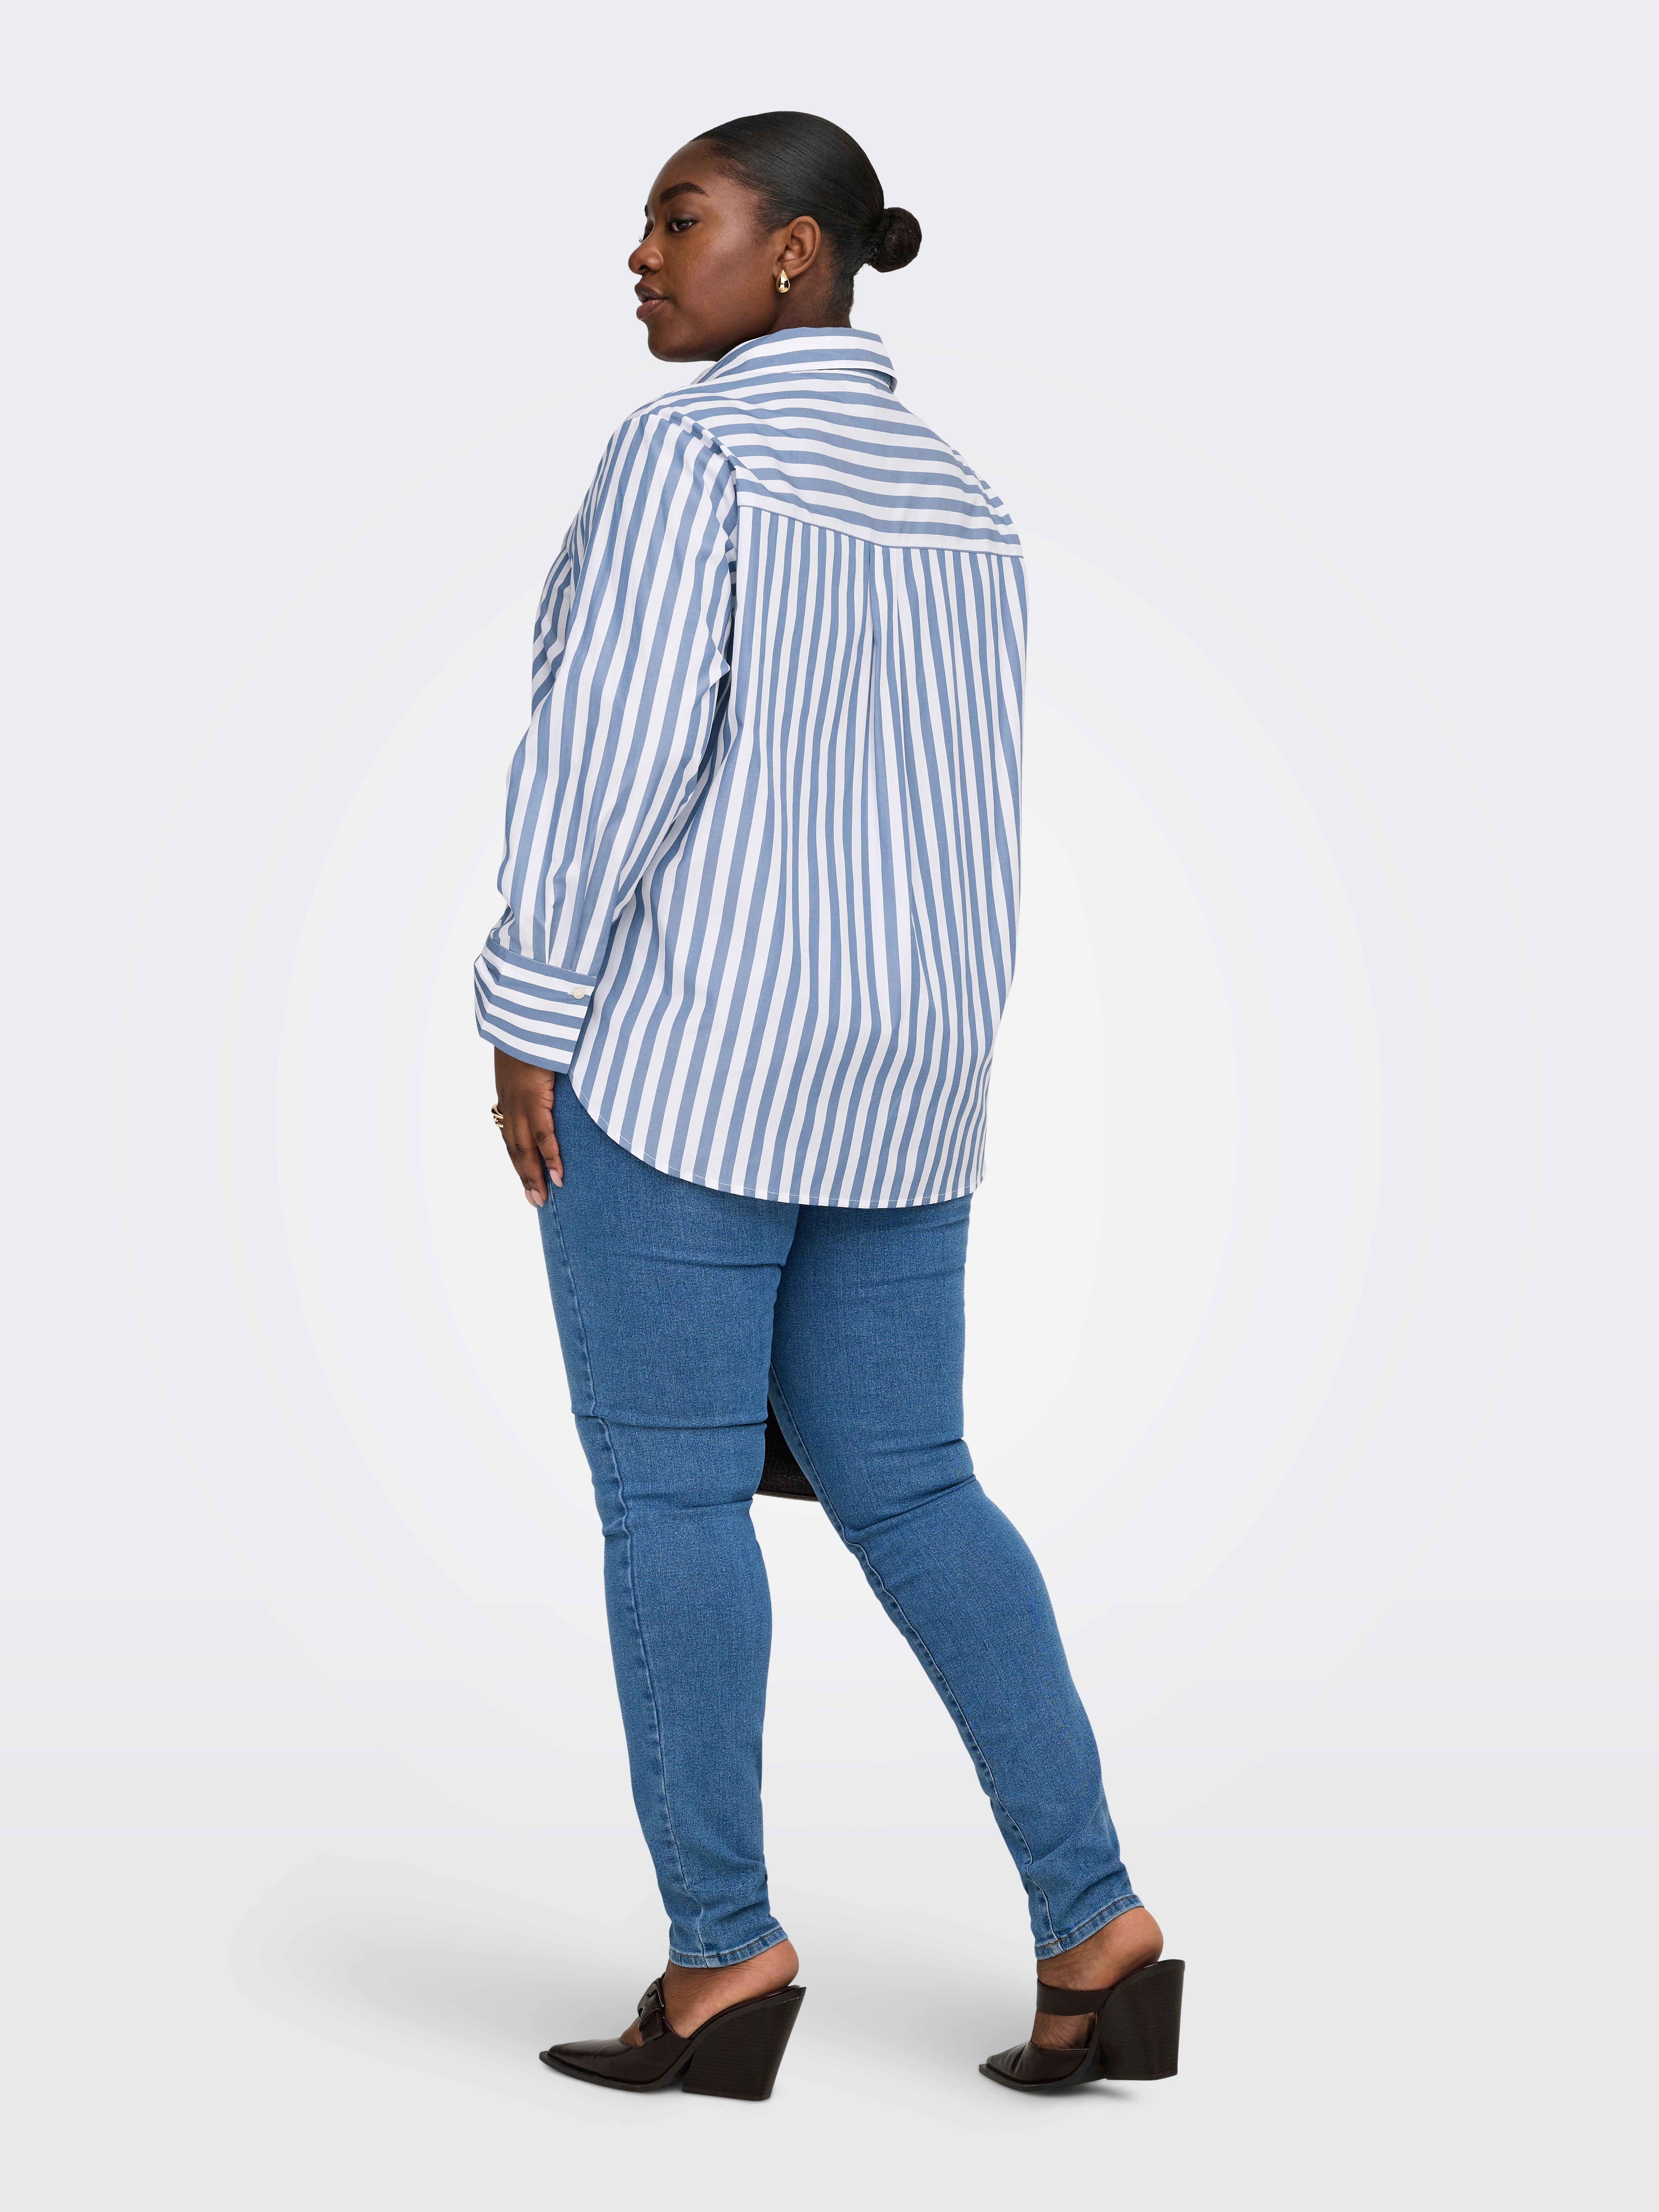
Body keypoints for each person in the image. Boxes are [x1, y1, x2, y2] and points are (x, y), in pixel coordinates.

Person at [478, 110, 1183, 2100]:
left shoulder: (691, 457)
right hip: (904, 1088)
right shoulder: (964, 498)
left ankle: (725, 1960)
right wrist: (936, 1057)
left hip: (689, 1069)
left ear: (796, 252)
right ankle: (1098, 1927)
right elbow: (974, 814)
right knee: (920, 1487)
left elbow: (608, 758)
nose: (640, 254)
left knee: (676, 1500)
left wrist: (529, 1011)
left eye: (678, 218)